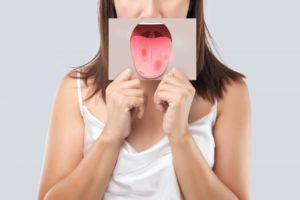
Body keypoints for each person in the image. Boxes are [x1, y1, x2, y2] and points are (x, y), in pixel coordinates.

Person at [38, 0, 251, 199]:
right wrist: (111, 135)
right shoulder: (76, 90)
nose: (150, 11)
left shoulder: (229, 93)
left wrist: (180, 136)